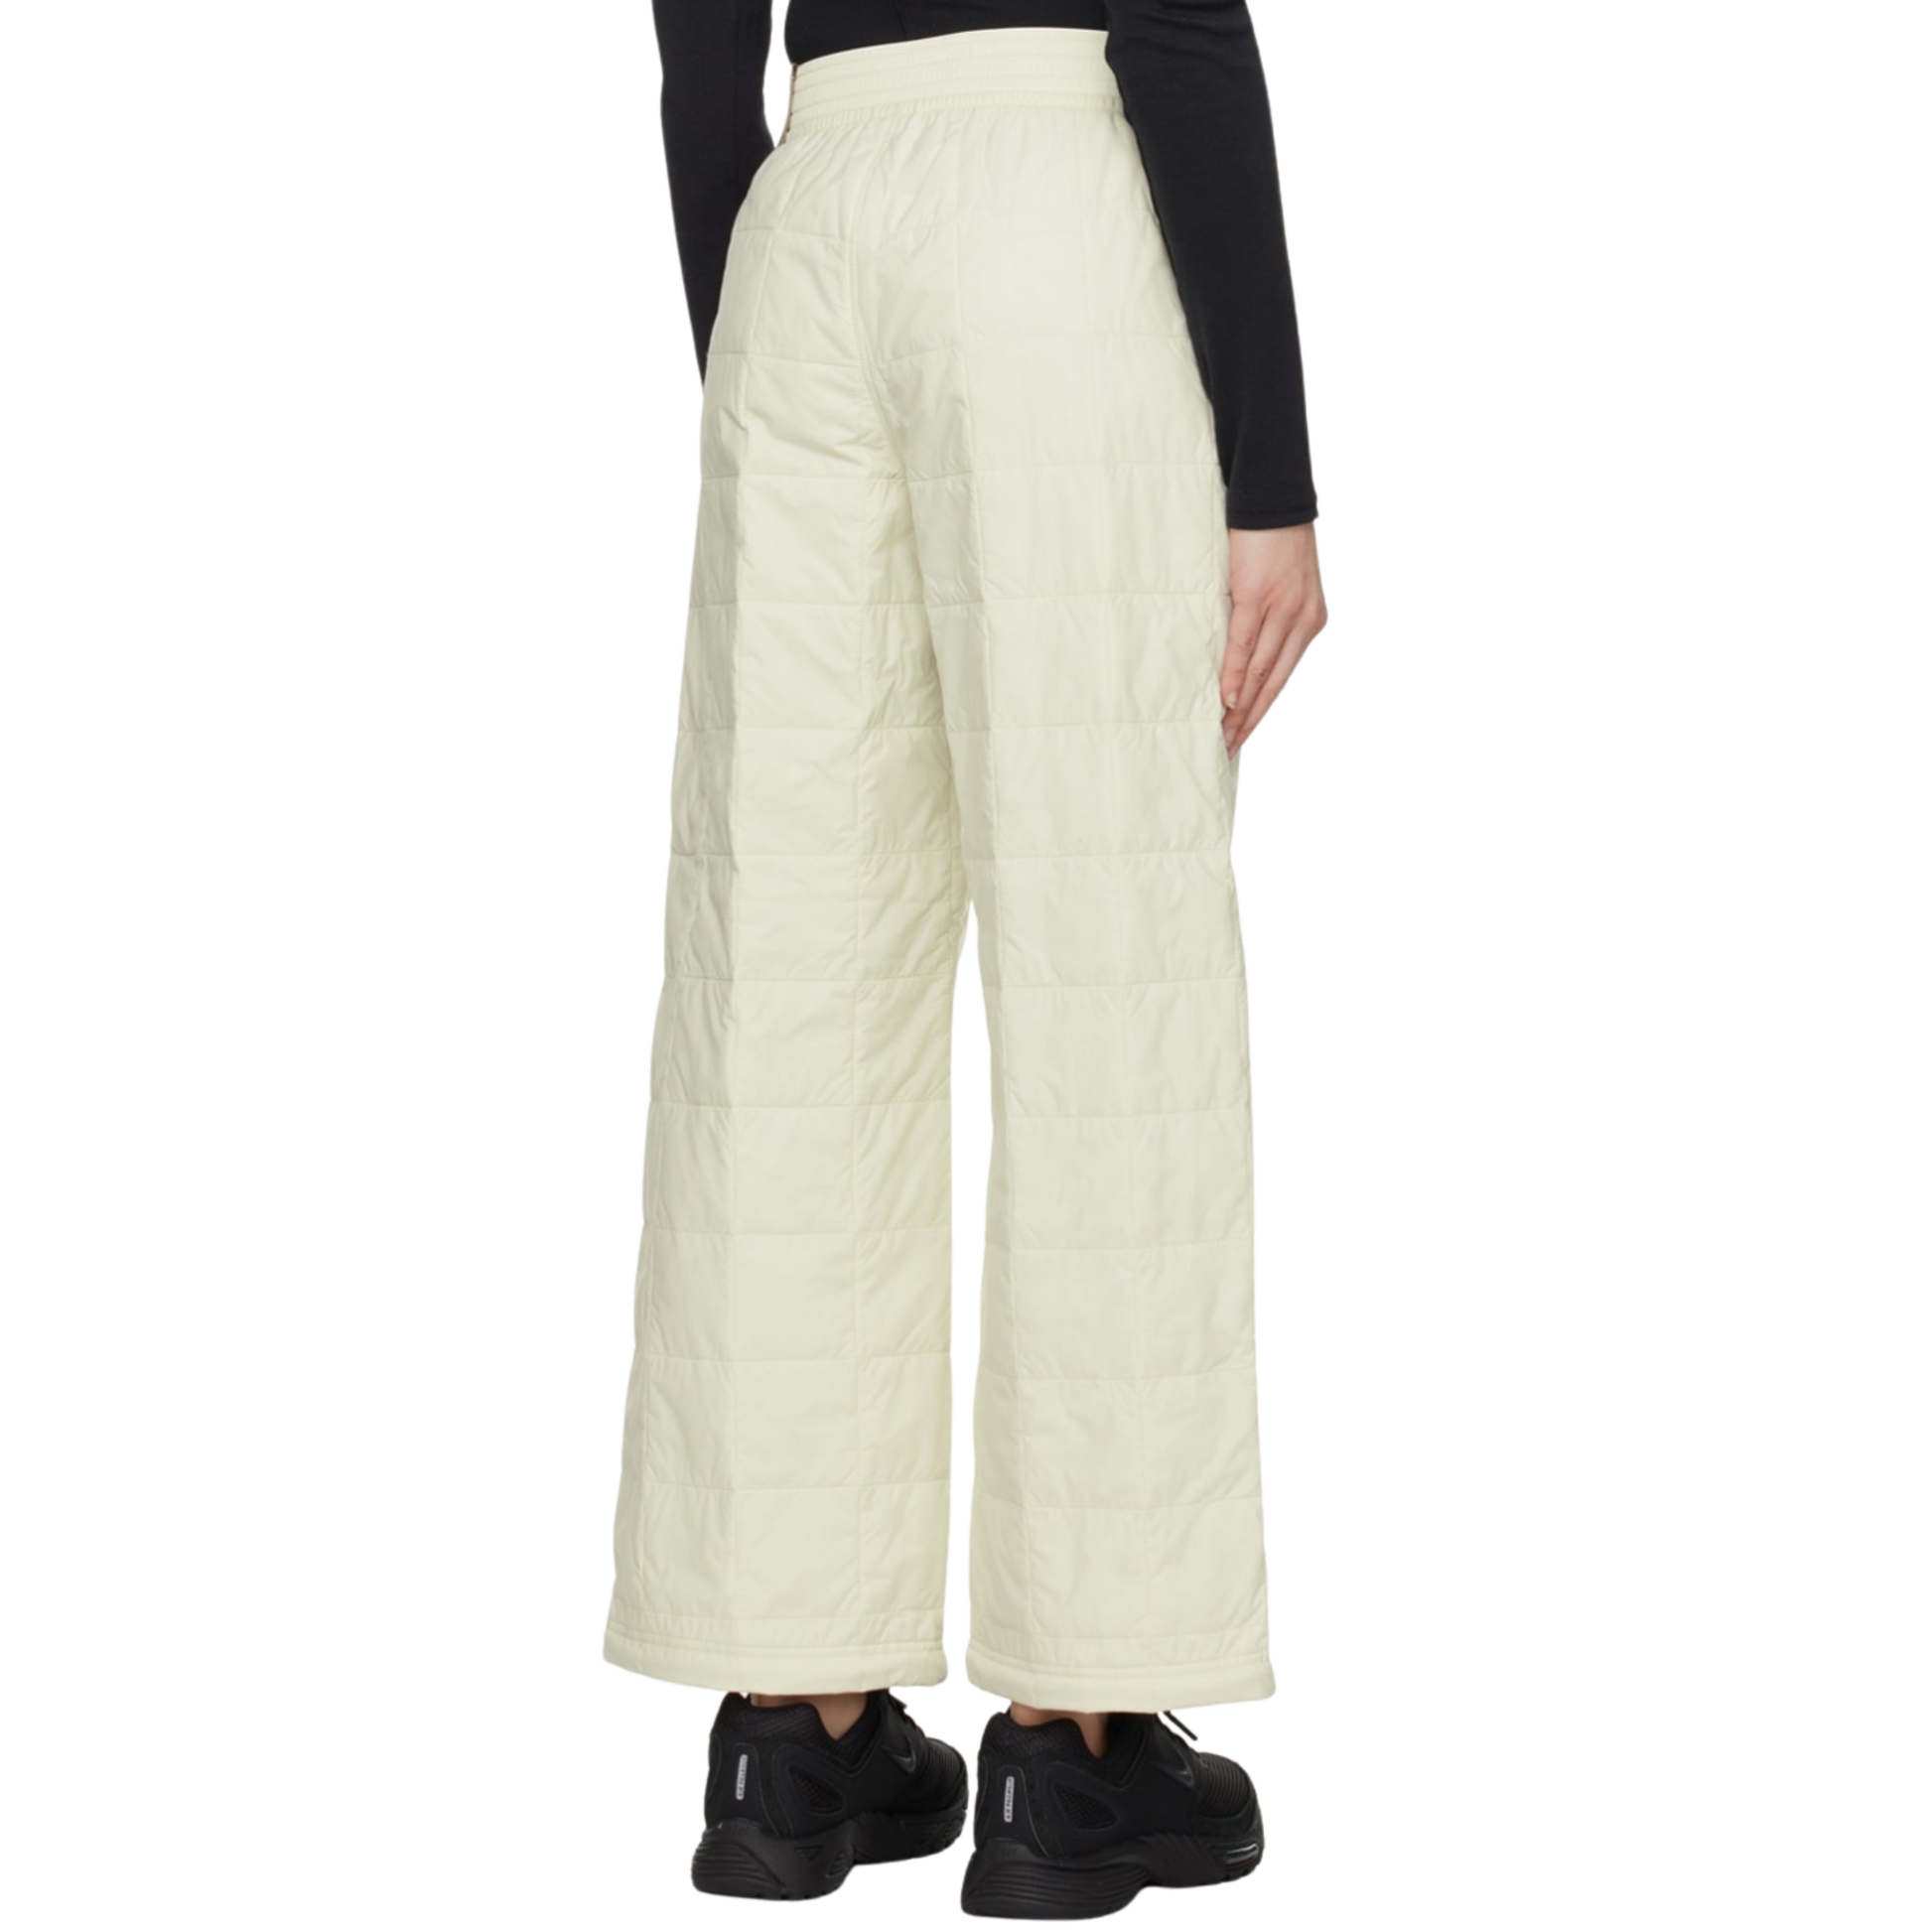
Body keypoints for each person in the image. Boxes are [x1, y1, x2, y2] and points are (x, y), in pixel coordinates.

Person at [608, 3, 1329, 1916]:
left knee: (790, 990)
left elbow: (700, 45)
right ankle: (1069, 1741)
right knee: (1106, 979)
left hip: (802, 223)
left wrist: (758, 375)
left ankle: (792, 1715)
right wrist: (1271, 478)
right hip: (1050, 205)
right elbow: (1175, 25)